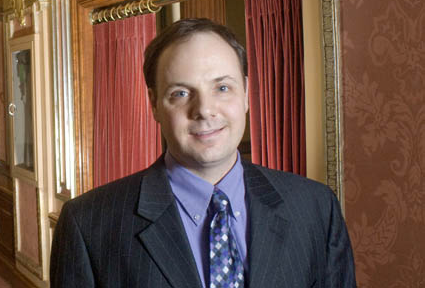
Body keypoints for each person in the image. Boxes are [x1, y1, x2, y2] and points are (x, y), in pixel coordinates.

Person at [49, 18, 356, 287]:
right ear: (154, 104)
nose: (205, 110)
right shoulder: (87, 225)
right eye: (180, 93)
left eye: (222, 87)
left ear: (247, 94)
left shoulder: (316, 208)